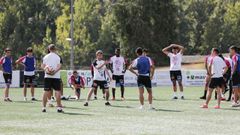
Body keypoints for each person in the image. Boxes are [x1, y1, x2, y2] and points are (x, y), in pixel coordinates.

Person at [41, 44, 63, 113]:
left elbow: (42, 66)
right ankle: (59, 108)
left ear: (49, 49)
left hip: (47, 77)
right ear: (55, 49)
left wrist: (47, 70)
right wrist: (54, 72)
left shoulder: (45, 57)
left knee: (46, 91)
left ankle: (44, 107)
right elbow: (59, 66)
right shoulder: (58, 57)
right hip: (56, 77)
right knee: (57, 92)